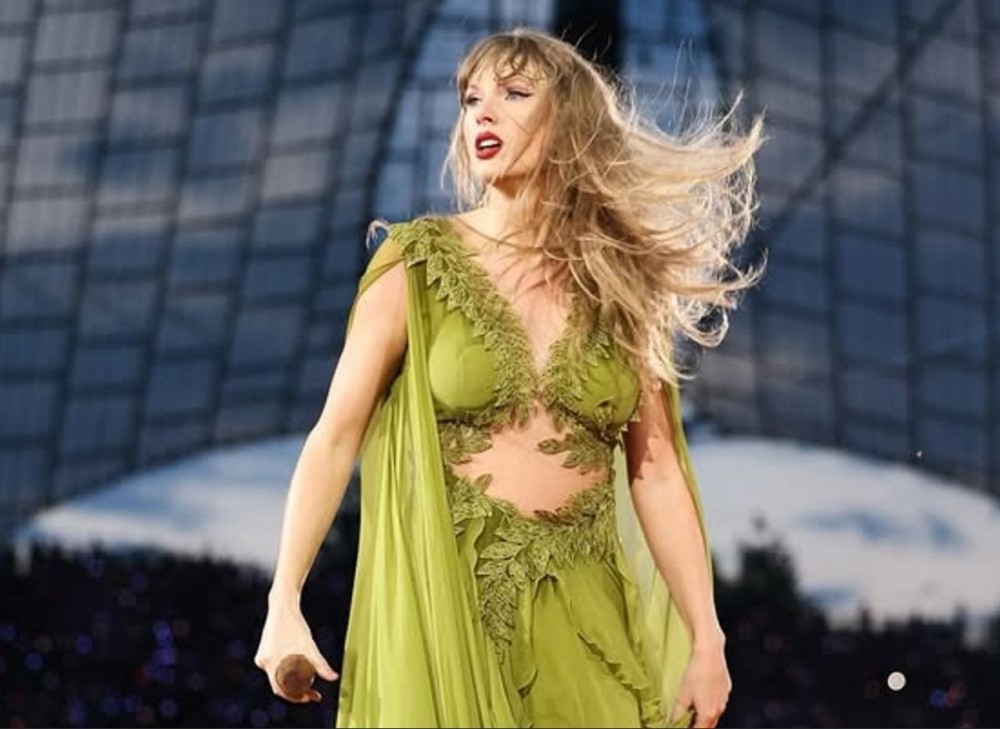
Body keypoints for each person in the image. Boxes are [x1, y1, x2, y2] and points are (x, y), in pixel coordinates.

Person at [254, 26, 765, 729]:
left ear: (570, 120)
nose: (482, 113)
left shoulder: (623, 285)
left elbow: (657, 472)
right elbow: (335, 436)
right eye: (471, 100)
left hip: (586, 623)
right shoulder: (416, 262)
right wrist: (284, 599)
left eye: (515, 93)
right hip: (446, 611)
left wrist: (707, 637)